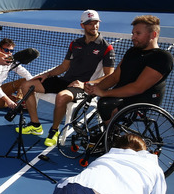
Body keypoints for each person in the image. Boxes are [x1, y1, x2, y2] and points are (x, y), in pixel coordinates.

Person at [17, 9, 115, 146]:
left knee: (62, 96)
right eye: (90, 23)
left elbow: (109, 76)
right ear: (83, 25)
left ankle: (54, 130)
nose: (94, 26)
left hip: (85, 87)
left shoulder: (106, 47)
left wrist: (85, 83)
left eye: (96, 23)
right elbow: (64, 67)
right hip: (65, 81)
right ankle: (35, 125)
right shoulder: (75, 43)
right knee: (27, 85)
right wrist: (47, 74)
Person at [84, 14, 173, 122]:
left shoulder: (162, 57)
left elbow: (138, 87)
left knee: (106, 104)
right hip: (124, 94)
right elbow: (114, 77)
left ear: (153, 34)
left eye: (138, 33)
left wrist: (104, 93)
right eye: (133, 33)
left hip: (143, 98)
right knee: (104, 102)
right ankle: (110, 134)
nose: (133, 37)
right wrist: (95, 89)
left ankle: (111, 136)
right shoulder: (132, 52)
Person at [0, 38, 34, 109]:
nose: (9, 53)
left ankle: (19, 101)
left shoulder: (10, 61)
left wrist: (35, 83)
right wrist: (7, 100)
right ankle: (12, 99)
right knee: (0, 104)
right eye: (6, 50)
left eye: (11, 51)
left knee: (25, 81)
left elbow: (24, 72)